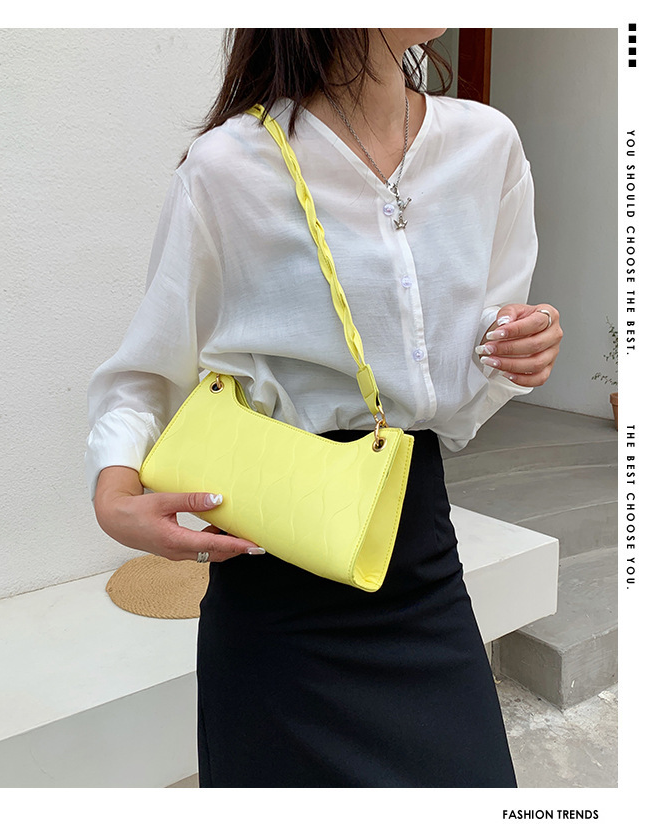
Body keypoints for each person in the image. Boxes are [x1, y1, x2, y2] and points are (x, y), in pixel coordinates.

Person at [86, 28, 563, 787]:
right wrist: (114, 495)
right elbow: (147, 369)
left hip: (416, 556)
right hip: (274, 579)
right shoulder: (228, 167)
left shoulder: (487, 145)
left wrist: (517, 349)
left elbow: (478, 352)